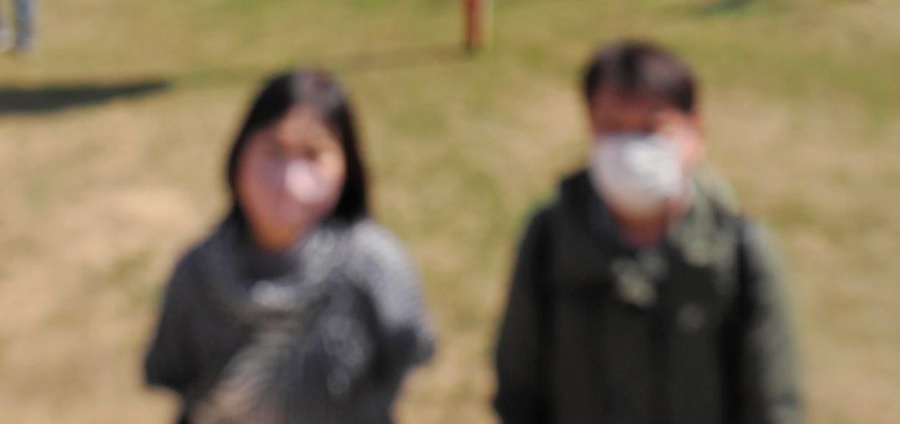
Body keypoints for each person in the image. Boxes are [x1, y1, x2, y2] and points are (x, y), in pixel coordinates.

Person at [494, 40, 803, 424]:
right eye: (613, 127)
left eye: (650, 127)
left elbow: (772, 400)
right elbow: (518, 383)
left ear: (694, 128)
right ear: (590, 124)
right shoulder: (548, 238)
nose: (630, 149)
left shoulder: (741, 250)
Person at [145, 68, 435, 424]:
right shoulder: (197, 273)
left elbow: (405, 358)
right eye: (273, 150)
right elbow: (174, 374)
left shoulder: (376, 265)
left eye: (312, 154)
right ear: (239, 155)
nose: (289, 177)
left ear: (347, 165)